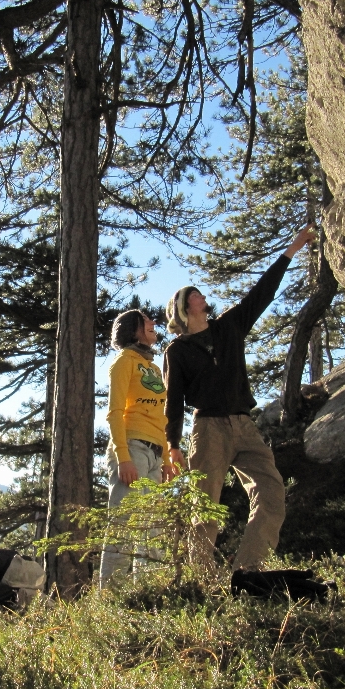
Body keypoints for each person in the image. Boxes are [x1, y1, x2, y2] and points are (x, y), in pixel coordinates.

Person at [163, 224, 318, 571]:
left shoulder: (229, 326)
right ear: (184, 308)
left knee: (272, 490)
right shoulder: (177, 351)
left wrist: (292, 248)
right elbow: (173, 400)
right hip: (208, 428)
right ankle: (200, 578)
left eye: (199, 292)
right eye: (194, 294)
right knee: (205, 507)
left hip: (244, 425)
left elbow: (262, 292)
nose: (201, 295)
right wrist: (172, 445)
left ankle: (248, 570)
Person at [100, 309, 176, 585]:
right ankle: (110, 603)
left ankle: (148, 596)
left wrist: (166, 459)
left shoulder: (154, 368)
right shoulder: (123, 362)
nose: (153, 324)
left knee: (152, 529)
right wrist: (123, 458)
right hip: (131, 448)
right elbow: (114, 412)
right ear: (134, 330)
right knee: (123, 526)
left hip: (155, 452)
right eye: (147, 322)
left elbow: (161, 418)